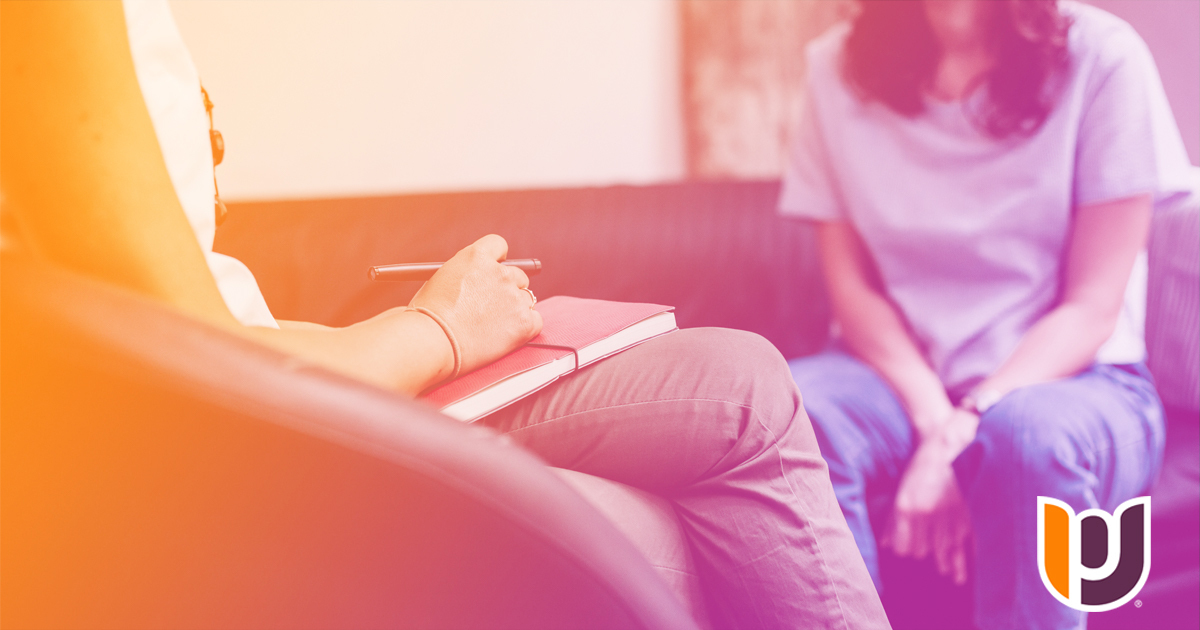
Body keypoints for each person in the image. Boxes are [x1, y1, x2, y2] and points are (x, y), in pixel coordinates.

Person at [0, 1, 890, 627]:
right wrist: (438, 331)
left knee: (734, 385)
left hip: (259, 388)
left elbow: (205, 305)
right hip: (225, 448)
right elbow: (190, 357)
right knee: (712, 448)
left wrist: (402, 335)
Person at [779, 1, 1193, 629]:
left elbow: (1092, 307)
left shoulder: (1106, 58)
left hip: (1074, 377)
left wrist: (966, 424)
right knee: (787, 414)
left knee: (1025, 439)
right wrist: (934, 419)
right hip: (895, 377)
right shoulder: (832, 70)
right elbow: (854, 293)